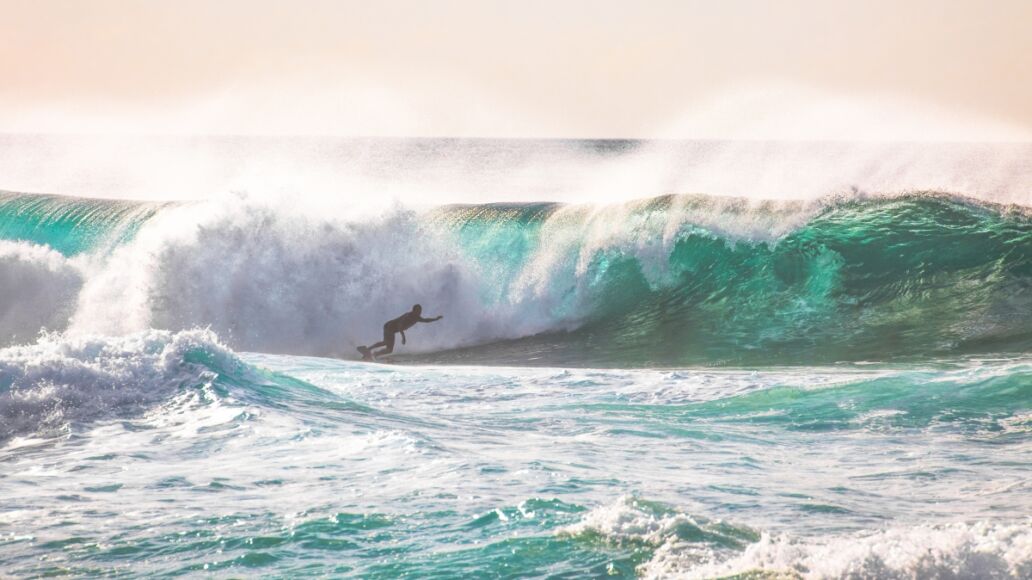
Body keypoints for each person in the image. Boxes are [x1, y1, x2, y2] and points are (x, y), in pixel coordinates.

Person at [358, 304, 443, 360]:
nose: (420, 313)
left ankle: (374, 354)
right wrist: (403, 337)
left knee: (389, 350)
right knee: (386, 342)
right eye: (418, 311)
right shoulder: (408, 316)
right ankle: (368, 350)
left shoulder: (417, 317)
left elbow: (426, 320)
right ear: (414, 310)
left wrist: (436, 319)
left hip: (392, 329)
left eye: (420, 311)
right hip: (389, 326)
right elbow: (400, 325)